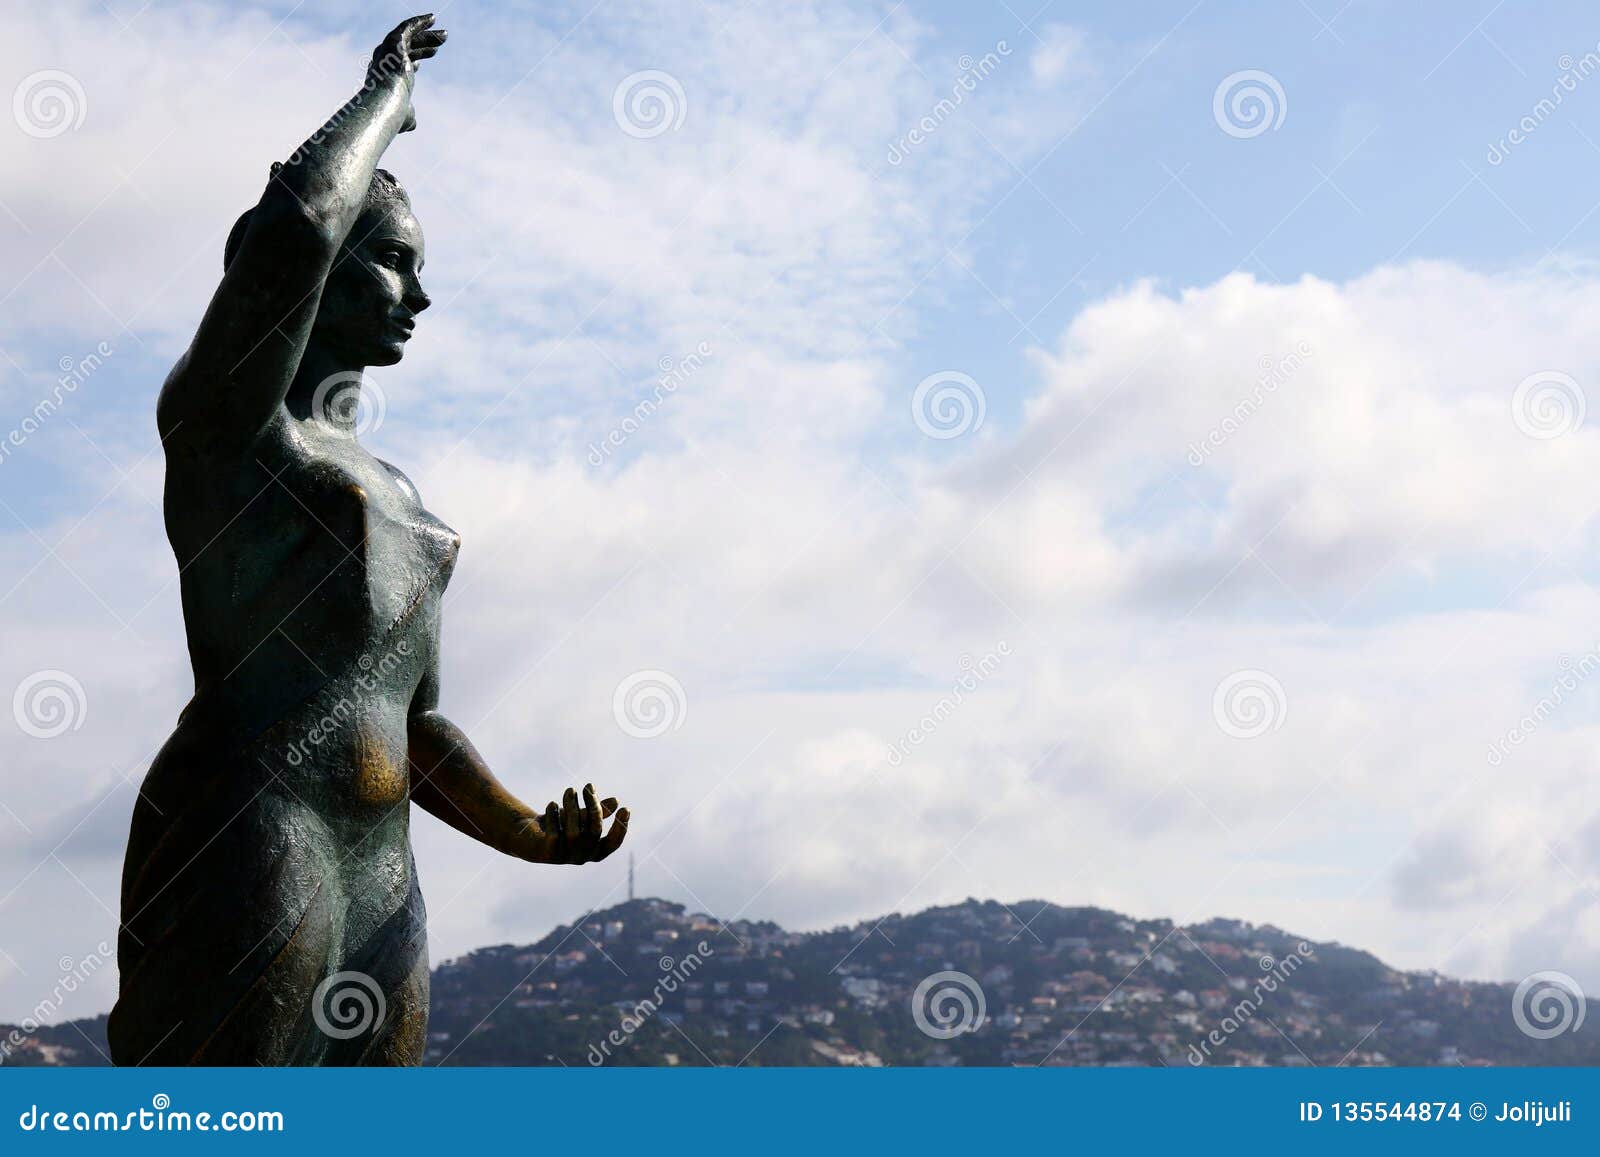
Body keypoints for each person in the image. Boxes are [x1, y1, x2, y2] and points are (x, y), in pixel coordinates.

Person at [108, 15, 628, 1066]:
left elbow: (414, 718)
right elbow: (297, 226)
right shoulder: (231, 429)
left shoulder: (397, 490)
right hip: (256, 825)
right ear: (319, 275)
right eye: (392, 261)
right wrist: (386, 100)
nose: (420, 295)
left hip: (380, 864)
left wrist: (531, 832)